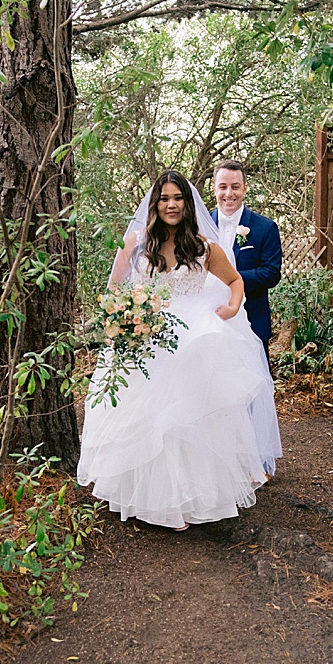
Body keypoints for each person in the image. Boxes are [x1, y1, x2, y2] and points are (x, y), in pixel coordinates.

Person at [77, 170, 282, 530]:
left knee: (188, 417)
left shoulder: (202, 246)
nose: (171, 205)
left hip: (192, 337)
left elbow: (235, 282)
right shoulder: (135, 244)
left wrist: (233, 307)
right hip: (146, 338)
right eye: (164, 198)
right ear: (154, 204)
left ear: (188, 204)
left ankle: (192, 500)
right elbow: (113, 291)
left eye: (178, 198)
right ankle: (151, 500)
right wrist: (122, 321)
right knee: (148, 418)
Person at [210, 160, 282, 361]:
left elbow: (271, 273)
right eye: (223, 187)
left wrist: (230, 279)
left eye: (235, 187)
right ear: (214, 188)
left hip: (251, 321)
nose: (229, 194)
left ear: (245, 188)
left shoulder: (265, 228)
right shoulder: (199, 228)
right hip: (208, 320)